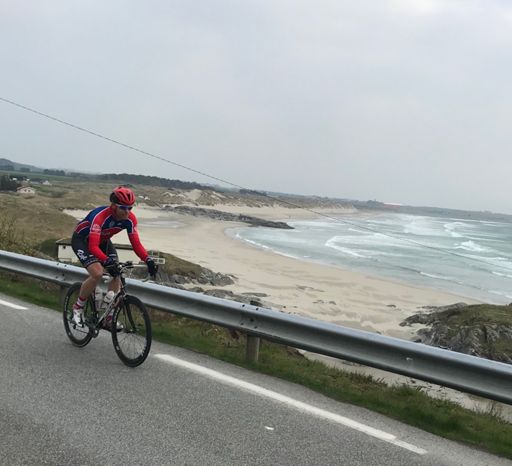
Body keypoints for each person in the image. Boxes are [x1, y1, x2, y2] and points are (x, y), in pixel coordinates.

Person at [70, 186, 157, 330]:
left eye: (130, 208)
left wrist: (148, 259)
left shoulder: (130, 219)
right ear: (114, 206)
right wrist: (106, 261)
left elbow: (136, 244)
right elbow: (93, 247)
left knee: (117, 272)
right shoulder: (100, 217)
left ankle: (108, 317)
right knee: (97, 273)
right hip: (83, 241)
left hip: (103, 241)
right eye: (123, 208)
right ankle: (78, 307)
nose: (127, 212)